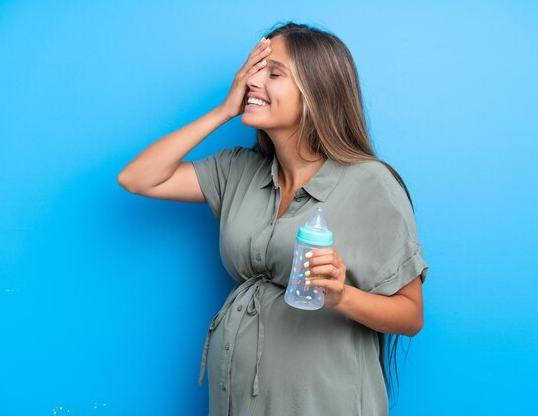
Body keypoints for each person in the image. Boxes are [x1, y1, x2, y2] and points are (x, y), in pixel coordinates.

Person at [118, 21, 429, 416]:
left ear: (316, 93)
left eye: (274, 73)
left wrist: (341, 296)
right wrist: (222, 111)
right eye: (253, 70)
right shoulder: (238, 171)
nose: (253, 81)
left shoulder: (370, 184)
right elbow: (137, 178)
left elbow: (411, 315)